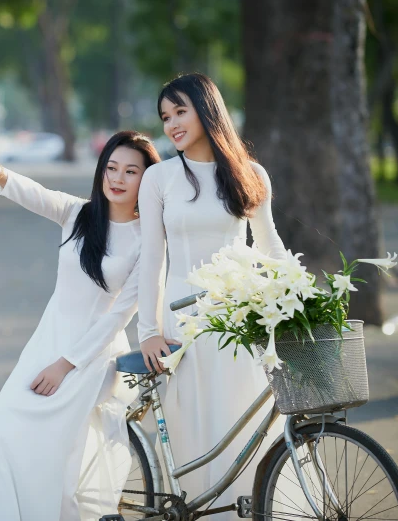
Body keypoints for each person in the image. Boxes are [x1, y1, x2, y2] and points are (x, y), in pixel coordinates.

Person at [0, 131, 161, 520]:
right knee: (5, 425)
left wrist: (66, 364)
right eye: (111, 168)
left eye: (131, 171)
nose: (117, 178)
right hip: (46, 343)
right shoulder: (78, 214)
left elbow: (120, 314)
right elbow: (33, 193)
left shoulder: (147, 239)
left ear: (146, 180)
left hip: (91, 357)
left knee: (53, 456)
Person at [137, 73, 287, 517]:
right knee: (197, 431)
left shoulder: (250, 174)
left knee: (246, 424)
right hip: (182, 319)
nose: (171, 124)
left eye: (180, 111)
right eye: (165, 116)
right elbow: (151, 260)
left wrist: (300, 296)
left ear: (207, 110)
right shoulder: (159, 178)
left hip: (238, 318)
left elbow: (270, 245)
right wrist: (147, 331)